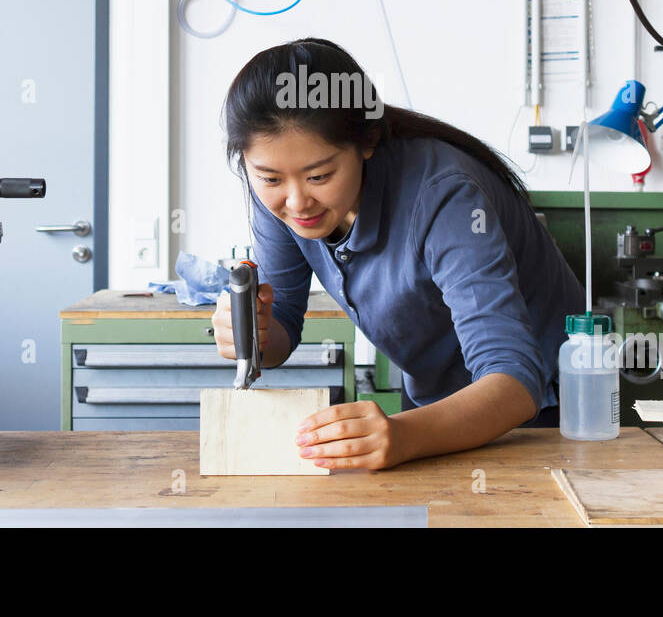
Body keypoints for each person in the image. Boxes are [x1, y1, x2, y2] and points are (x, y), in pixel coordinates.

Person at [212, 38, 584, 470]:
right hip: (434, 407)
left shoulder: (444, 196)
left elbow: (515, 380)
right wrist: (252, 335)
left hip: (542, 412)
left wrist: (402, 434)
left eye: (319, 175)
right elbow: (282, 332)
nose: (296, 203)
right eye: (269, 178)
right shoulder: (275, 198)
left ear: (367, 142)